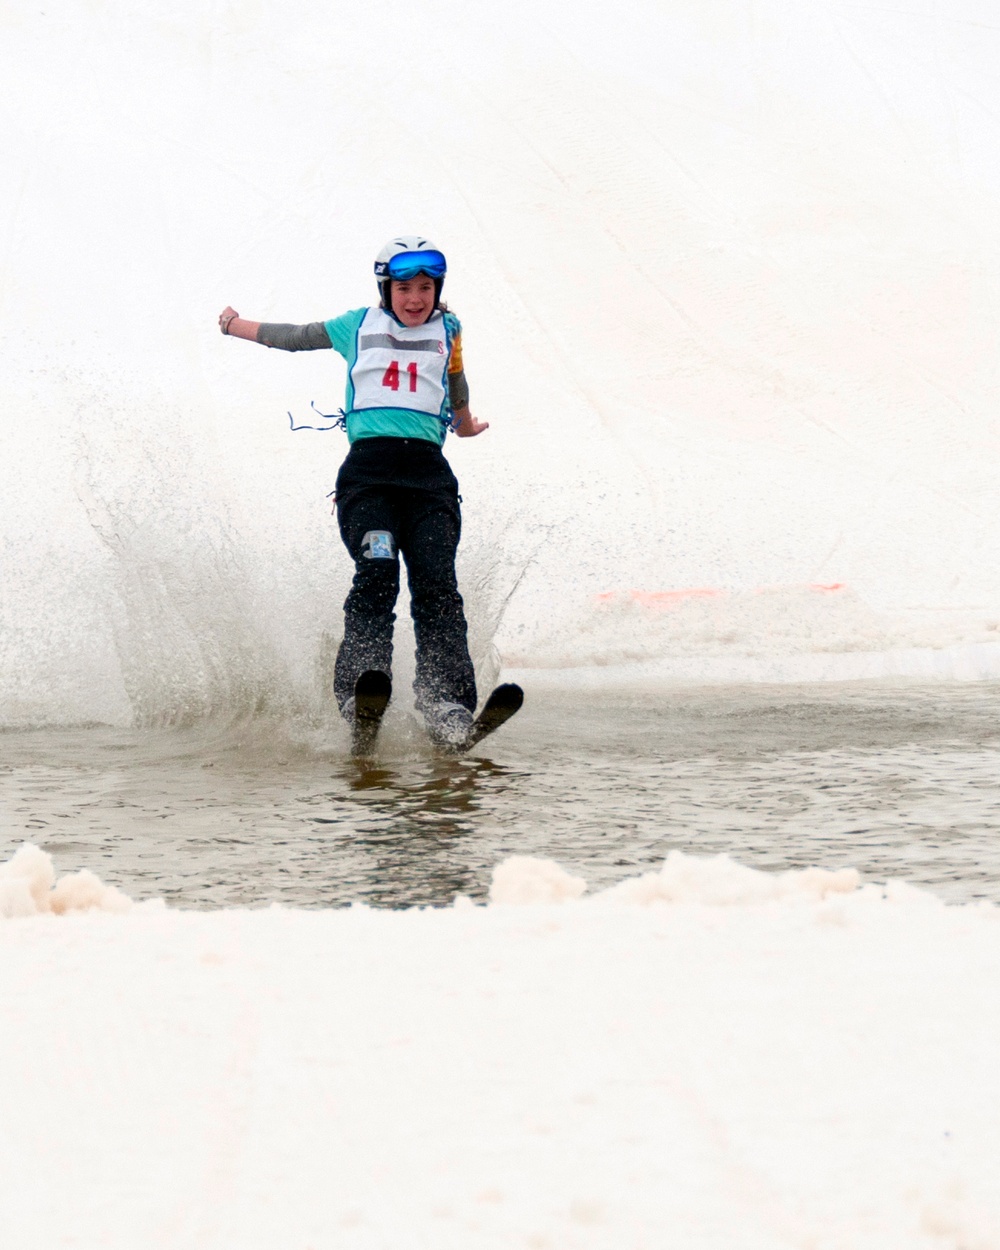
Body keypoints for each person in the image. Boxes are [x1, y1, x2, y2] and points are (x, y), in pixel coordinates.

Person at [218, 236, 489, 747]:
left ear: (438, 290)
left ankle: (446, 702)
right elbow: (295, 336)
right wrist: (237, 326)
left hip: (430, 480)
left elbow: (456, 382)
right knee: (377, 573)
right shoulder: (358, 325)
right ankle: (358, 692)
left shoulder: (449, 329)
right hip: (369, 480)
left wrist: (466, 423)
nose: (415, 298)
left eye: (425, 287)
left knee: (437, 587)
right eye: (404, 287)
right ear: (387, 289)